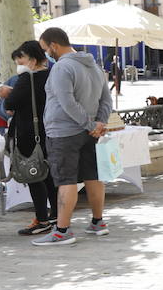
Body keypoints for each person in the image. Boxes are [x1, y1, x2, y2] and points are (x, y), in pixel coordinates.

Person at [33, 28, 113, 247]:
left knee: (65, 181)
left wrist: (90, 124)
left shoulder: (61, 68)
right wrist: (98, 125)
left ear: (54, 46)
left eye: (45, 49)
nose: (45, 54)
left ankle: (62, 231)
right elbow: (106, 100)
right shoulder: (94, 66)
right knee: (93, 176)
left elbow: (67, 103)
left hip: (64, 132)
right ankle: (98, 222)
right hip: (89, 133)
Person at [1, 40, 60, 236]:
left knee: (34, 174)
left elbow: (11, 103)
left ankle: (42, 219)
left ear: (33, 60)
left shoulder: (28, 79)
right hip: (51, 131)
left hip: (30, 134)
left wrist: (6, 93)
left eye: (22, 60)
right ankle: (55, 215)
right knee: (49, 175)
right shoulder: (53, 75)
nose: (20, 65)